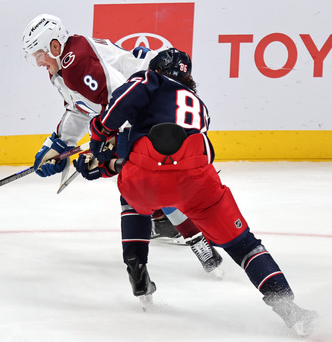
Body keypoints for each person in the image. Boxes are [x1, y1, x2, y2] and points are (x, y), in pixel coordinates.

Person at [85, 47, 318, 336]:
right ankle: (289, 309)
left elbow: (123, 113)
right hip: (197, 181)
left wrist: (99, 142)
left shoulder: (150, 79)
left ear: (157, 68)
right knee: (245, 244)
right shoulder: (199, 105)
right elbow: (182, 151)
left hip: (146, 178)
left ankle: (138, 271)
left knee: (133, 199)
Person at [21, 13, 222, 273]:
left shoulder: (77, 64)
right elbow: (81, 109)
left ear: (54, 45)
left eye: (39, 54)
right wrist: (58, 144)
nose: (38, 62)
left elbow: (123, 99)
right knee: (145, 180)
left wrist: (112, 143)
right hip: (145, 109)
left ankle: (197, 242)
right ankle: (163, 222)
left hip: (158, 107)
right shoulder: (63, 68)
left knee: (146, 177)